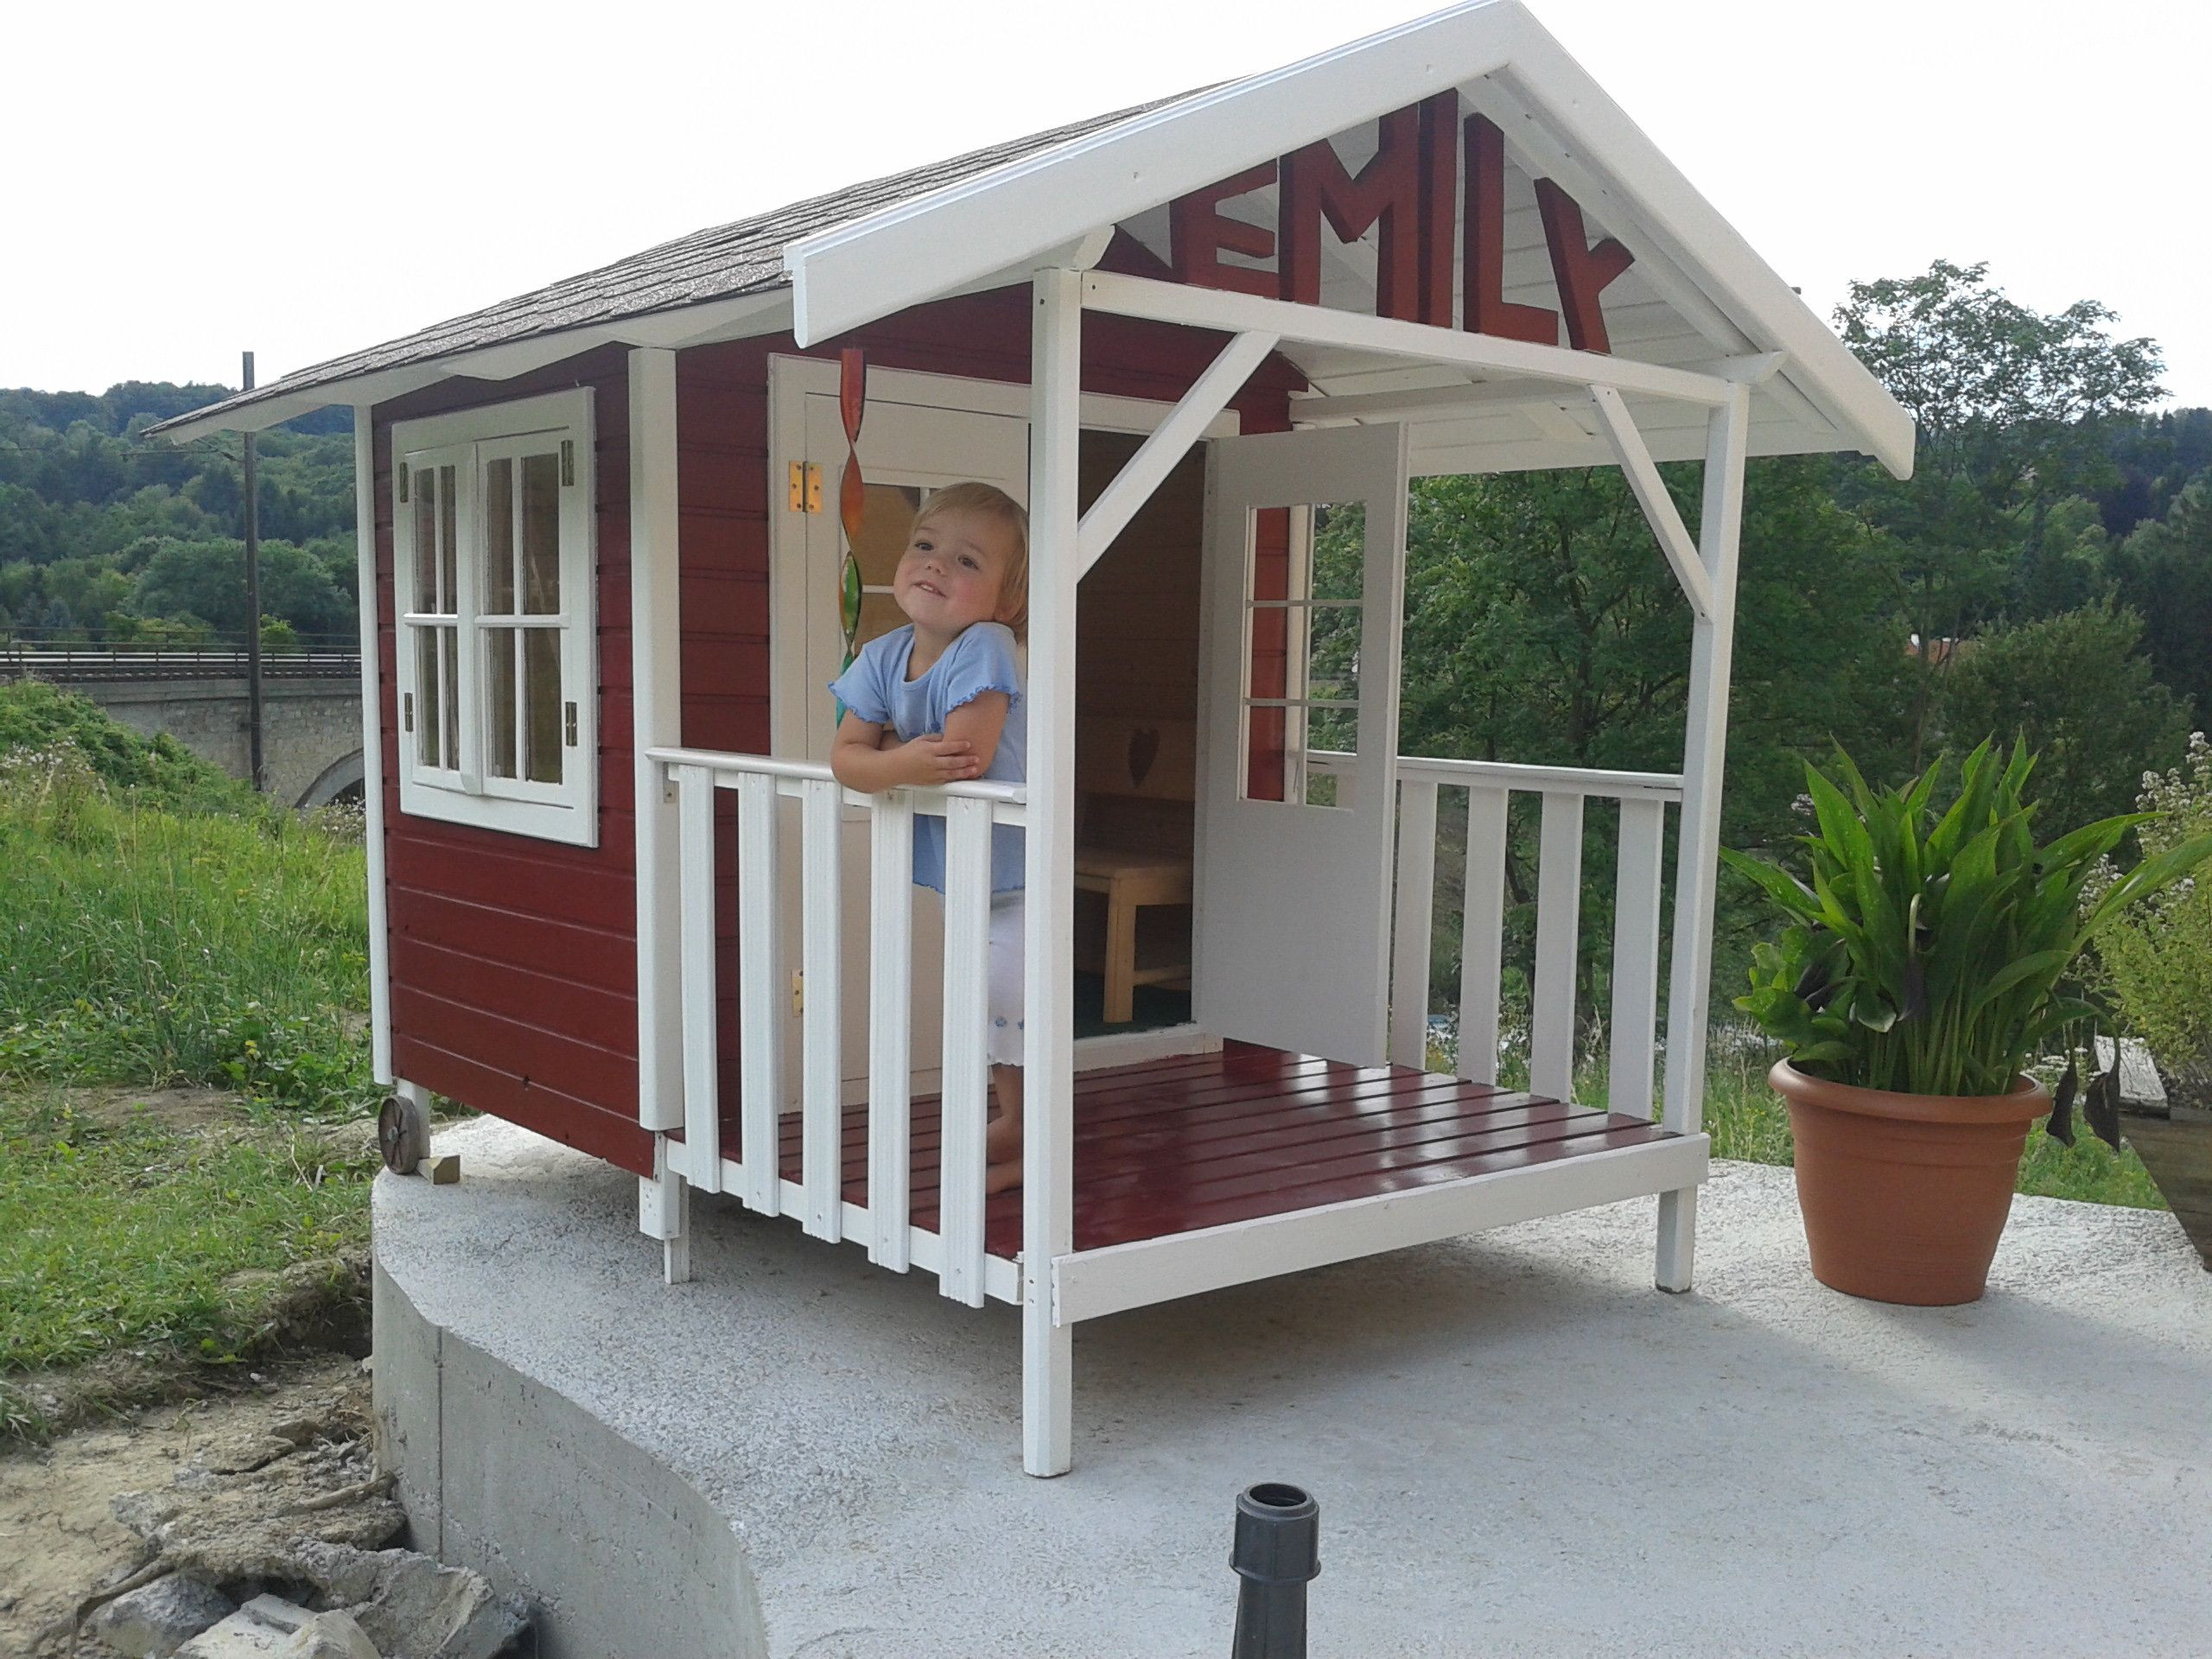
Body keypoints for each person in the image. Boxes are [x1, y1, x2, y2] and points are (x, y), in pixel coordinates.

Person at [828, 482, 1029, 1194]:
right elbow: (845, 755)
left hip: (1017, 864)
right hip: (963, 866)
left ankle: (1029, 1140)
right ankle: (1017, 1127)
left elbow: (960, 756)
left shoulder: (988, 645)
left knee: (1005, 1002)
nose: (937, 566)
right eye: (925, 546)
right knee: (990, 1002)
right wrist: (895, 762)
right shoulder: (884, 654)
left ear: (1006, 600)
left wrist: (894, 762)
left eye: (968, 561)